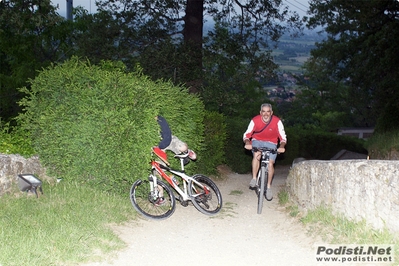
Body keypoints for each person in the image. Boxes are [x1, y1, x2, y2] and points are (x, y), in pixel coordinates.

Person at [243, 103, 287, 200]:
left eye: (268, 112)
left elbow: (283, 137)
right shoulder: (255, 120)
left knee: (270, 163)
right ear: (260, 112)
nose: (266, 114)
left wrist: (282, 146)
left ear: (271, 113)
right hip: (257, 141)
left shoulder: (277, 121)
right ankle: (254, 178)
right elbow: (247, 134)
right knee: (257, 155)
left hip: (271, 143)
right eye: (263, 111)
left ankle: (268, 187)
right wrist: (247, 143)